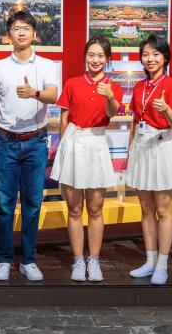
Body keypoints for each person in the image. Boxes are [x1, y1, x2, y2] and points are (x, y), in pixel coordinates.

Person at [0, 10, 60, 282]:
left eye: (26, 28)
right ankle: (4, 258)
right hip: (6, 141)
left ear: (35, 34)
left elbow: (53, 95)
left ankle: (28, 259)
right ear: (9, 35)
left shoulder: (47, 65)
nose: (22, 32)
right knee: (4, 204)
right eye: (16, 28)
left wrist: (34, 93)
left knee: (32, 203)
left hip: (36, 141)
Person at [51, 35, 122, 282]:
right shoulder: (72, 83)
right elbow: (64, 118)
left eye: (101, 55)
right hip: (73, 142)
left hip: (97, 143)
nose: (95, 60)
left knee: (95, 208)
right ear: (84, 58)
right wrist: (63, 148)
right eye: (91, 55)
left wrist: (110, 96)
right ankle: (78, 260)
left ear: (108, 59)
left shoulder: (112, 86)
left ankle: (94, 259)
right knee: (74, 208)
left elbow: (112, 113)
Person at [126, 35, 172, 286]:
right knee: (146, 208)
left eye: (155, 54)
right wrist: (130, 149)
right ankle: (149, 260)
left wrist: (167, 109)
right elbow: (134, 120)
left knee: (163, 209)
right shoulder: (139, 86)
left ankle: (162, 263)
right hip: (142, 146)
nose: (150, 59)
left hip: (163, 145)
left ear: (165, 58)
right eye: (146, 54)